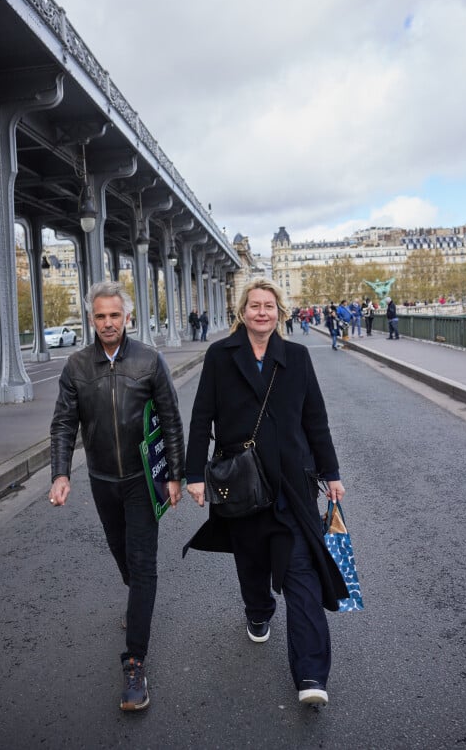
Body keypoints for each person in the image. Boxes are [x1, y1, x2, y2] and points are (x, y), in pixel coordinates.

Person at [184, 277, 348, 709]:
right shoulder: (221, 355)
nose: (262, 312)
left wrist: (331, 472)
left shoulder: (296, 356)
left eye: (269, 306)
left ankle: (312, 673)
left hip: (292, 484)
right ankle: (258, 611)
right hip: (240, 482)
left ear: (280, 313)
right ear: (242, 311)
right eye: (254, 305)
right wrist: (194, 475)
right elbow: (202, 416)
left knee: (302, 574)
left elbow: (316, 419)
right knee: (251, 563)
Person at [49, 280, 185, 712]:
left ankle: (135, 664)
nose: (108, 323)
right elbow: (64, 424)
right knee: (122, 553)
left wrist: (176, 476)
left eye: (115, 315)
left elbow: (171, 419)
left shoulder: (150, 361)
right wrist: (60, 473)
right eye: (100, 316)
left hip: (144, 481)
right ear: (92, 319)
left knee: (143, 565)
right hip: (103, 479)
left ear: (128, 317)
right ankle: (137, 601)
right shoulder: (76, 367)